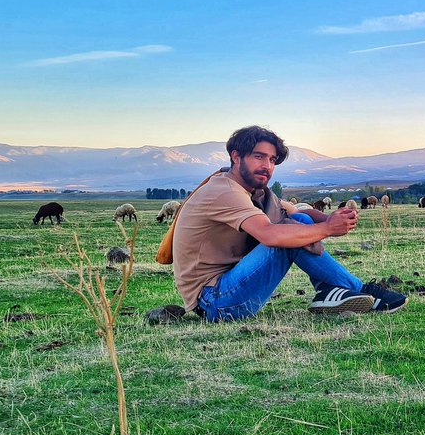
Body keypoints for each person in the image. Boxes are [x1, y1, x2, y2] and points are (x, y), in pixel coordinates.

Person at [172, 125, 406, 322]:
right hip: (214, 301)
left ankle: (329, 290)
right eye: (258, 156)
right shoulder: (224, 190)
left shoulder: (255, 193)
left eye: (272, 160)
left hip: (231, 286)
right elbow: (270, 236)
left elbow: (297, 212)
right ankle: (358, 290)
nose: (267, 166)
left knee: (300, 220)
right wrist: (326, 229)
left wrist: (332, 219)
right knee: (285, 234)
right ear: (236, 156)